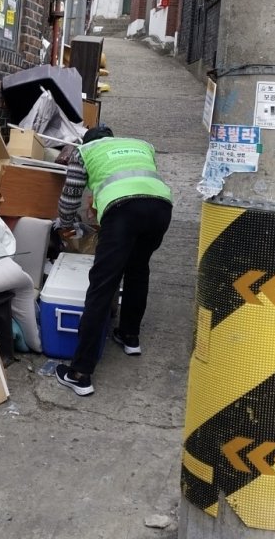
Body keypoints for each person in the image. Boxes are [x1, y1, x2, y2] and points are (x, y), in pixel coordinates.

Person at [54, 124, 172, 396]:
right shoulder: (141, 144)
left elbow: (70, 198)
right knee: (138, 269)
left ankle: (80, 373)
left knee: (102, 284)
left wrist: (67, 228)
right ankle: (129, 336)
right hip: (160, 208)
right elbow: (132, 180)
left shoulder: (83, 151)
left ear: (88, 141)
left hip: (123, 211)